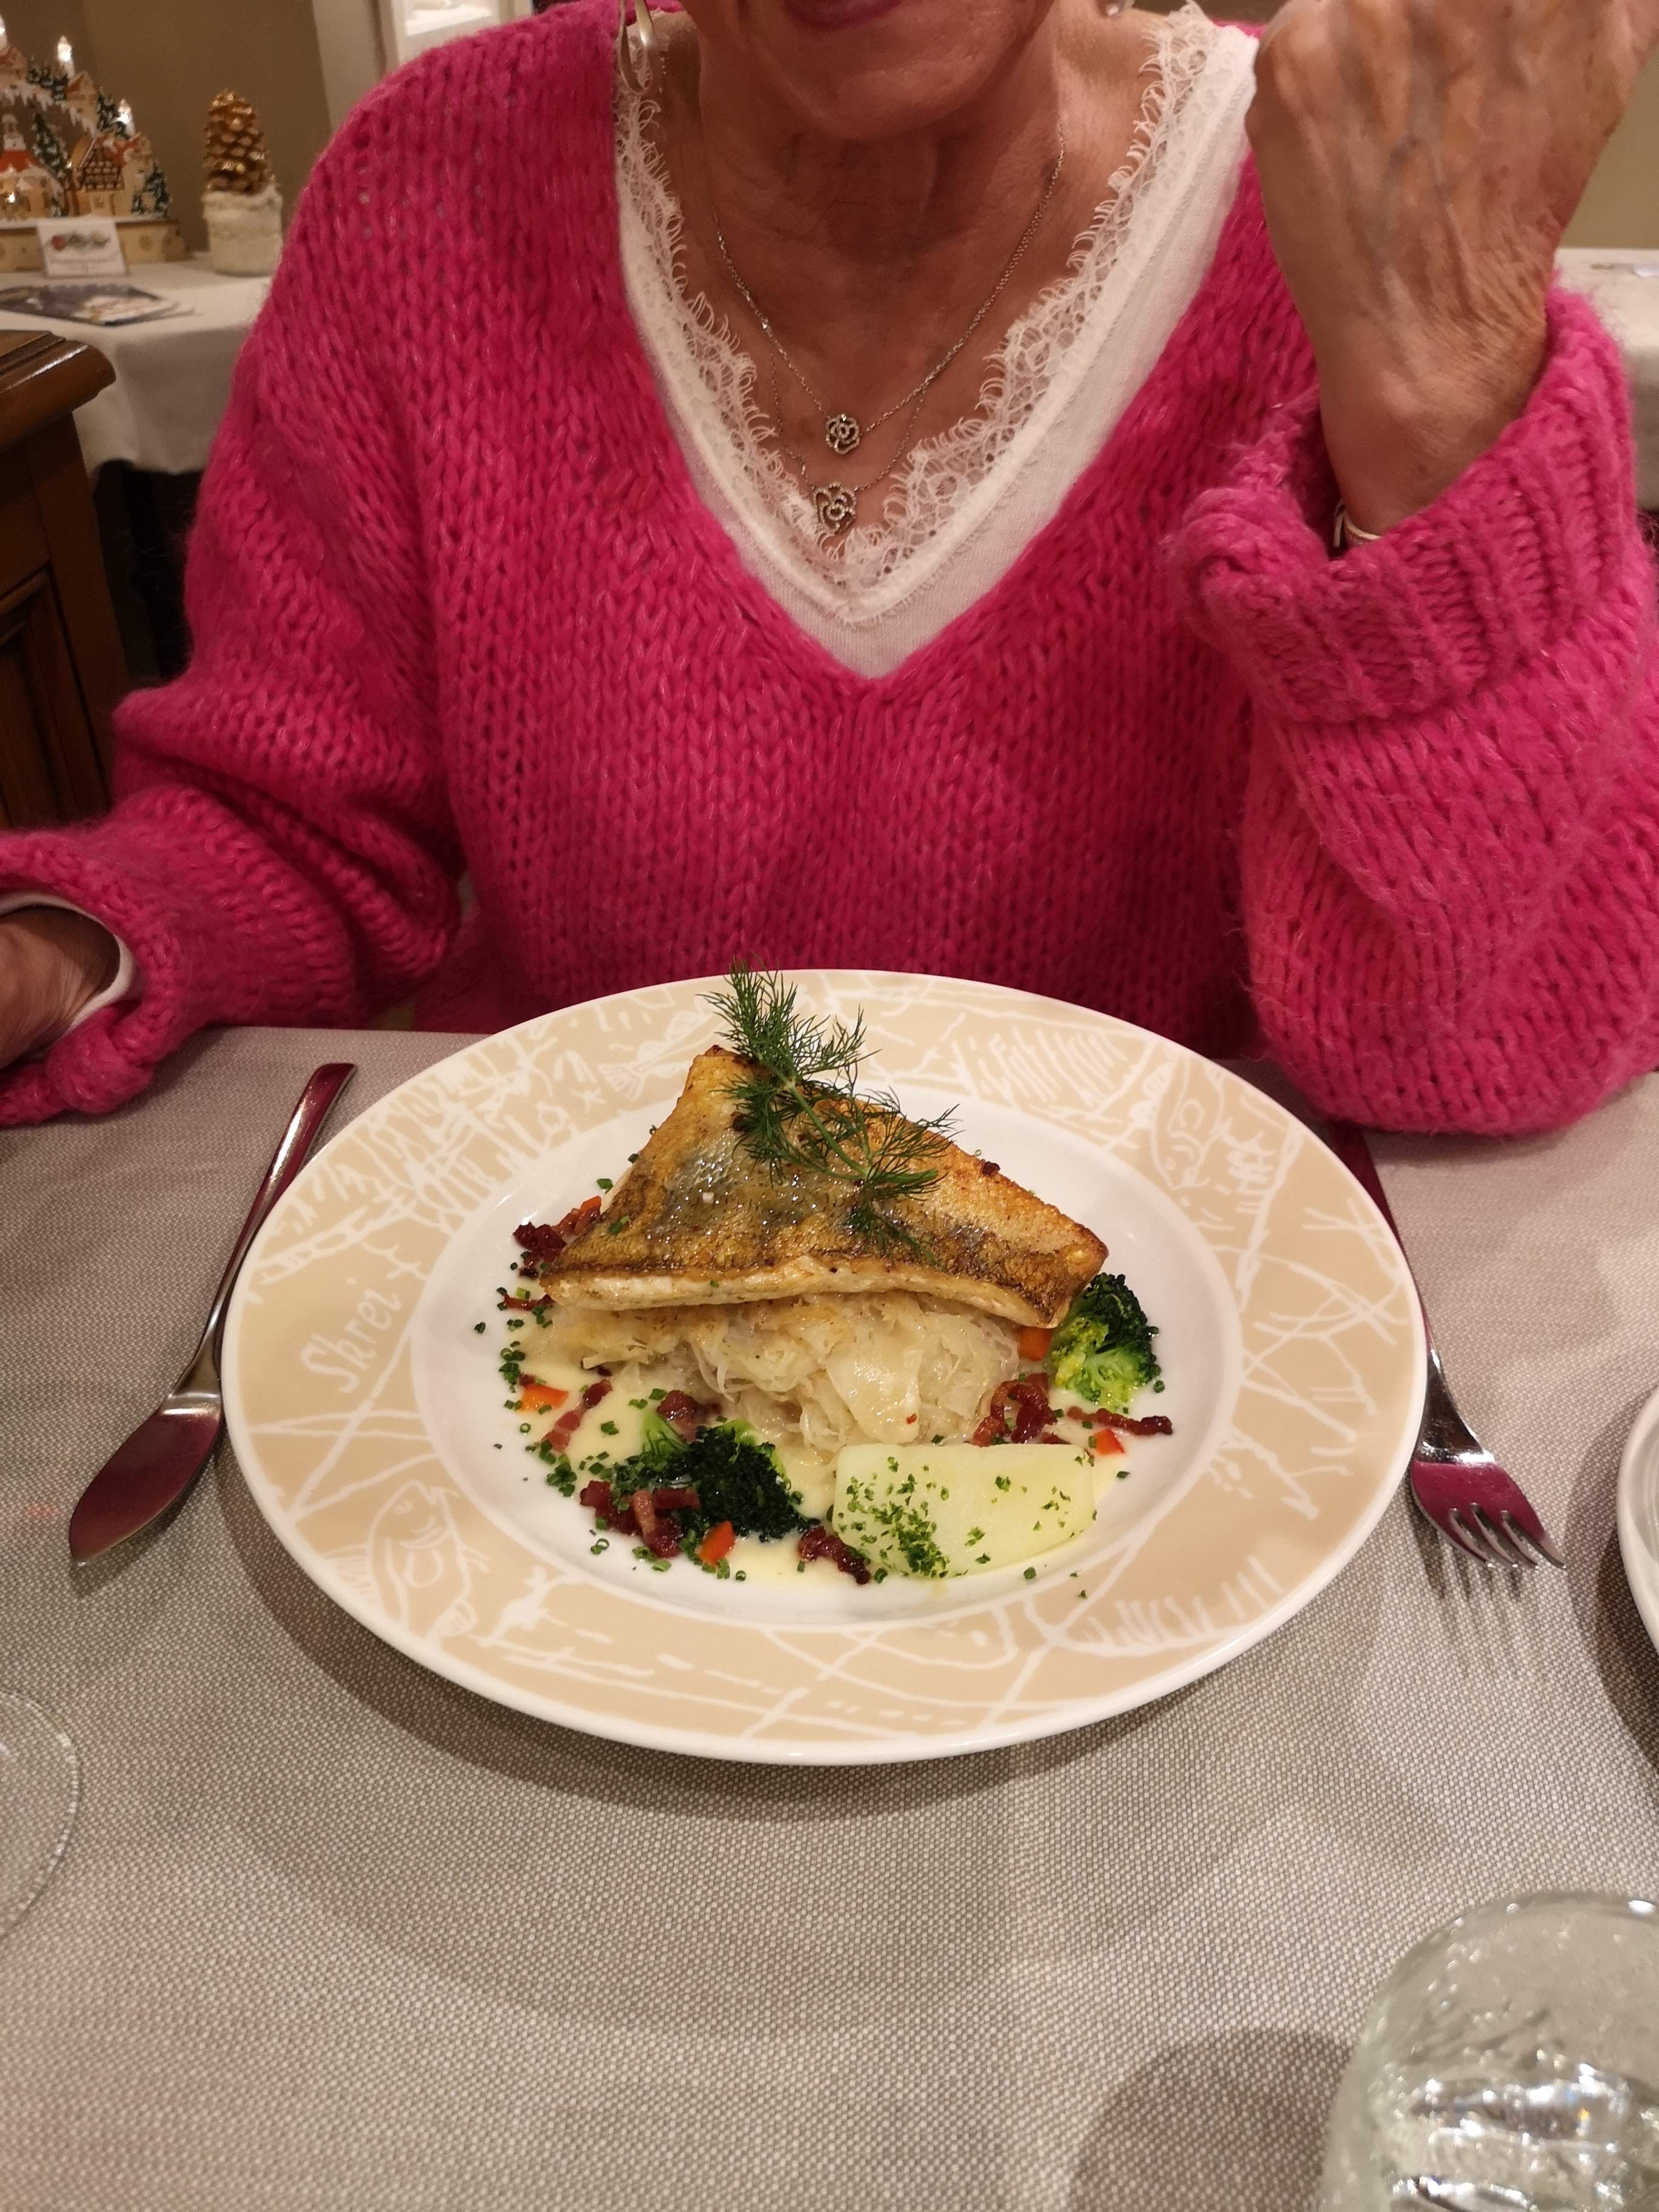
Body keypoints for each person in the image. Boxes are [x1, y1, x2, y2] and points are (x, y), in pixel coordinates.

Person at [1, 0, 1656, 1133]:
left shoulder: (1341, 210)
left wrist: (1438, 399)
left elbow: (1493, 1047)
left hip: (1146, 1370)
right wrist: (64, 949)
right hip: (575, 1333)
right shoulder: (428, 190)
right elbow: (292, 833)